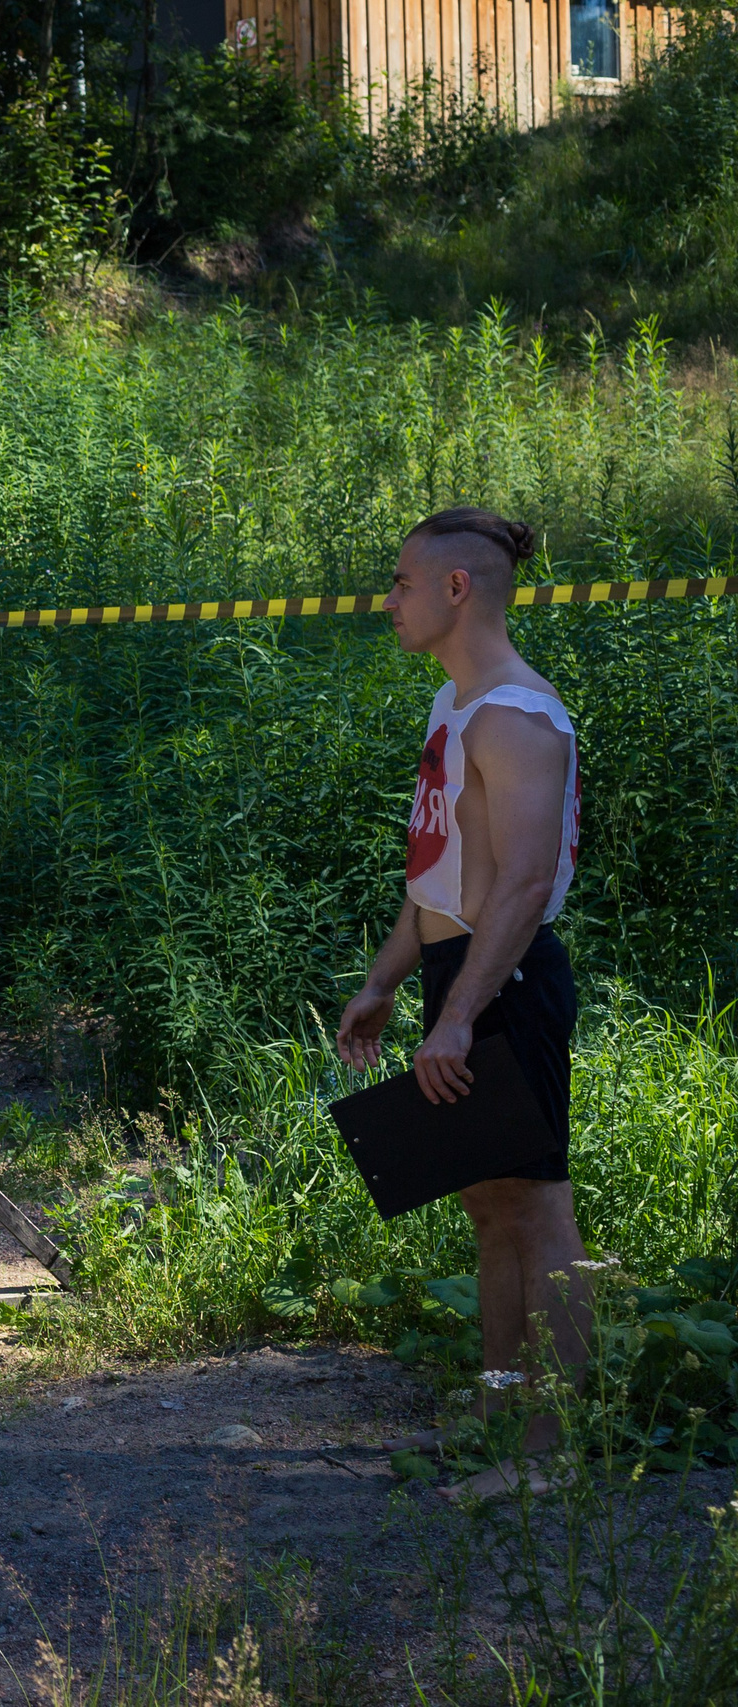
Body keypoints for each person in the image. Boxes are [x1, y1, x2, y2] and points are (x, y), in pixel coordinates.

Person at [335, 508, 590, 1494]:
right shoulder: (455, 706)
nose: (387, 599)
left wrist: (458, 1015)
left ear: (455, 590)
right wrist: (388, 979)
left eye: (400, 582)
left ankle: (550, 1450)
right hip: (459, 977)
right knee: (490, 1209)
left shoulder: (518, 716)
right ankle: (496, 1407)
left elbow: (522, 886)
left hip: (508, 981)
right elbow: (442, 875)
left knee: (537, 1212)